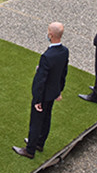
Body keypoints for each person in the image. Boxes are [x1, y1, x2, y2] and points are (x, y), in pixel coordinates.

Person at [13, 23, 70, 159]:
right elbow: (63, 73)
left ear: (51, 35)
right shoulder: (64, 51)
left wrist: (37, 99)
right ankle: (39, 143)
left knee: (36, 121)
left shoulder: (47, 56)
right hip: (52, 93)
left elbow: (40, 81)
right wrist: (58, 91)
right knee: (47, 118)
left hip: (43, 94)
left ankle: (30, 150)